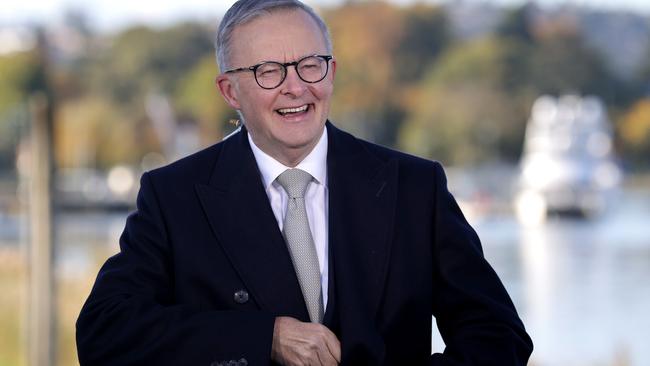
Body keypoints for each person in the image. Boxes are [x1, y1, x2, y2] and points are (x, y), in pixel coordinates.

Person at [76, 1, 533, 365]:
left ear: (331, 73)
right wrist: (265, 338)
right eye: (268, 71)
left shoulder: (416, 188)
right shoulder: (173, 197)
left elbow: (499, 336)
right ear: (230, 91)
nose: (296, 87)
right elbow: (104, 333)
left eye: (310, 65)